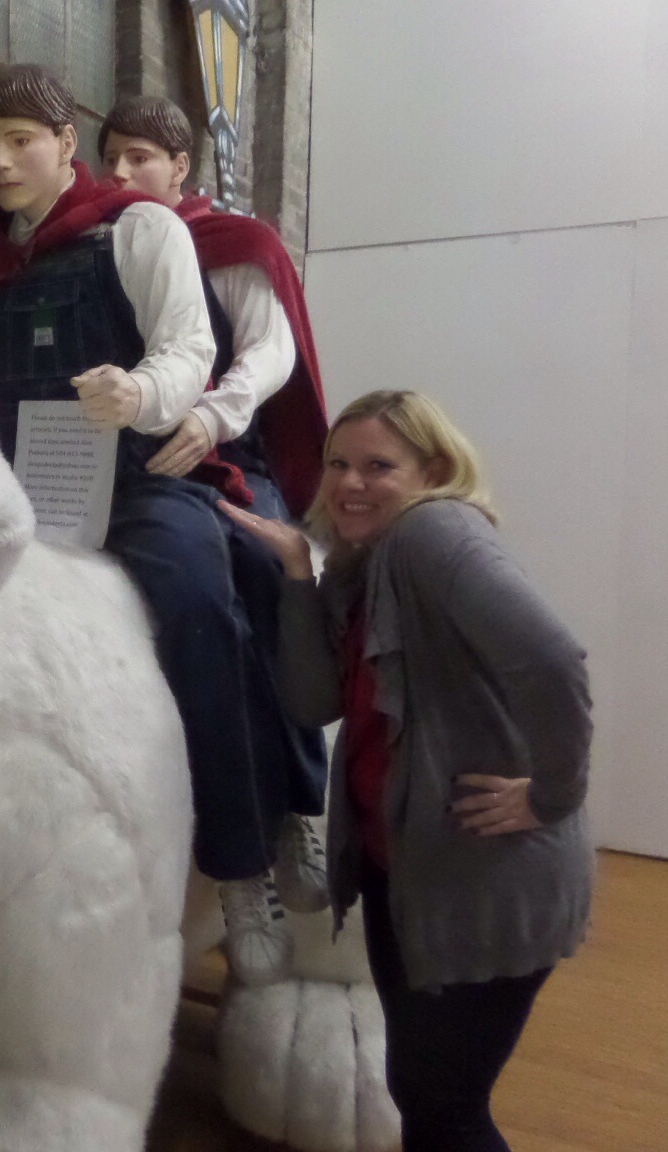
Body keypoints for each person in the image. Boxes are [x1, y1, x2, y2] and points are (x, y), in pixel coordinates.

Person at [0, 64, 316, 985]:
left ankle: (242, 861)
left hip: (139, 480)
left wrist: (140, 394)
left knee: (201, 598)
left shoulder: (142, 231)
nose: (1, 161)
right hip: (22, 491)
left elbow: (190, 346)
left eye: (21, 141)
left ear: (66, 146)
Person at [223, 390, 593, 1152]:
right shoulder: (360, 564)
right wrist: (296, 572)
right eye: (337, 464)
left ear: (434, 470)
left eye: (378, 466)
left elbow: (554, 660)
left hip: (482, 880)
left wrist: (553, 795)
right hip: (409, 874)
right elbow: (312, 700)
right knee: (424, 1098)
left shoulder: (433, 533)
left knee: (445, 1108)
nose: (350, 483)